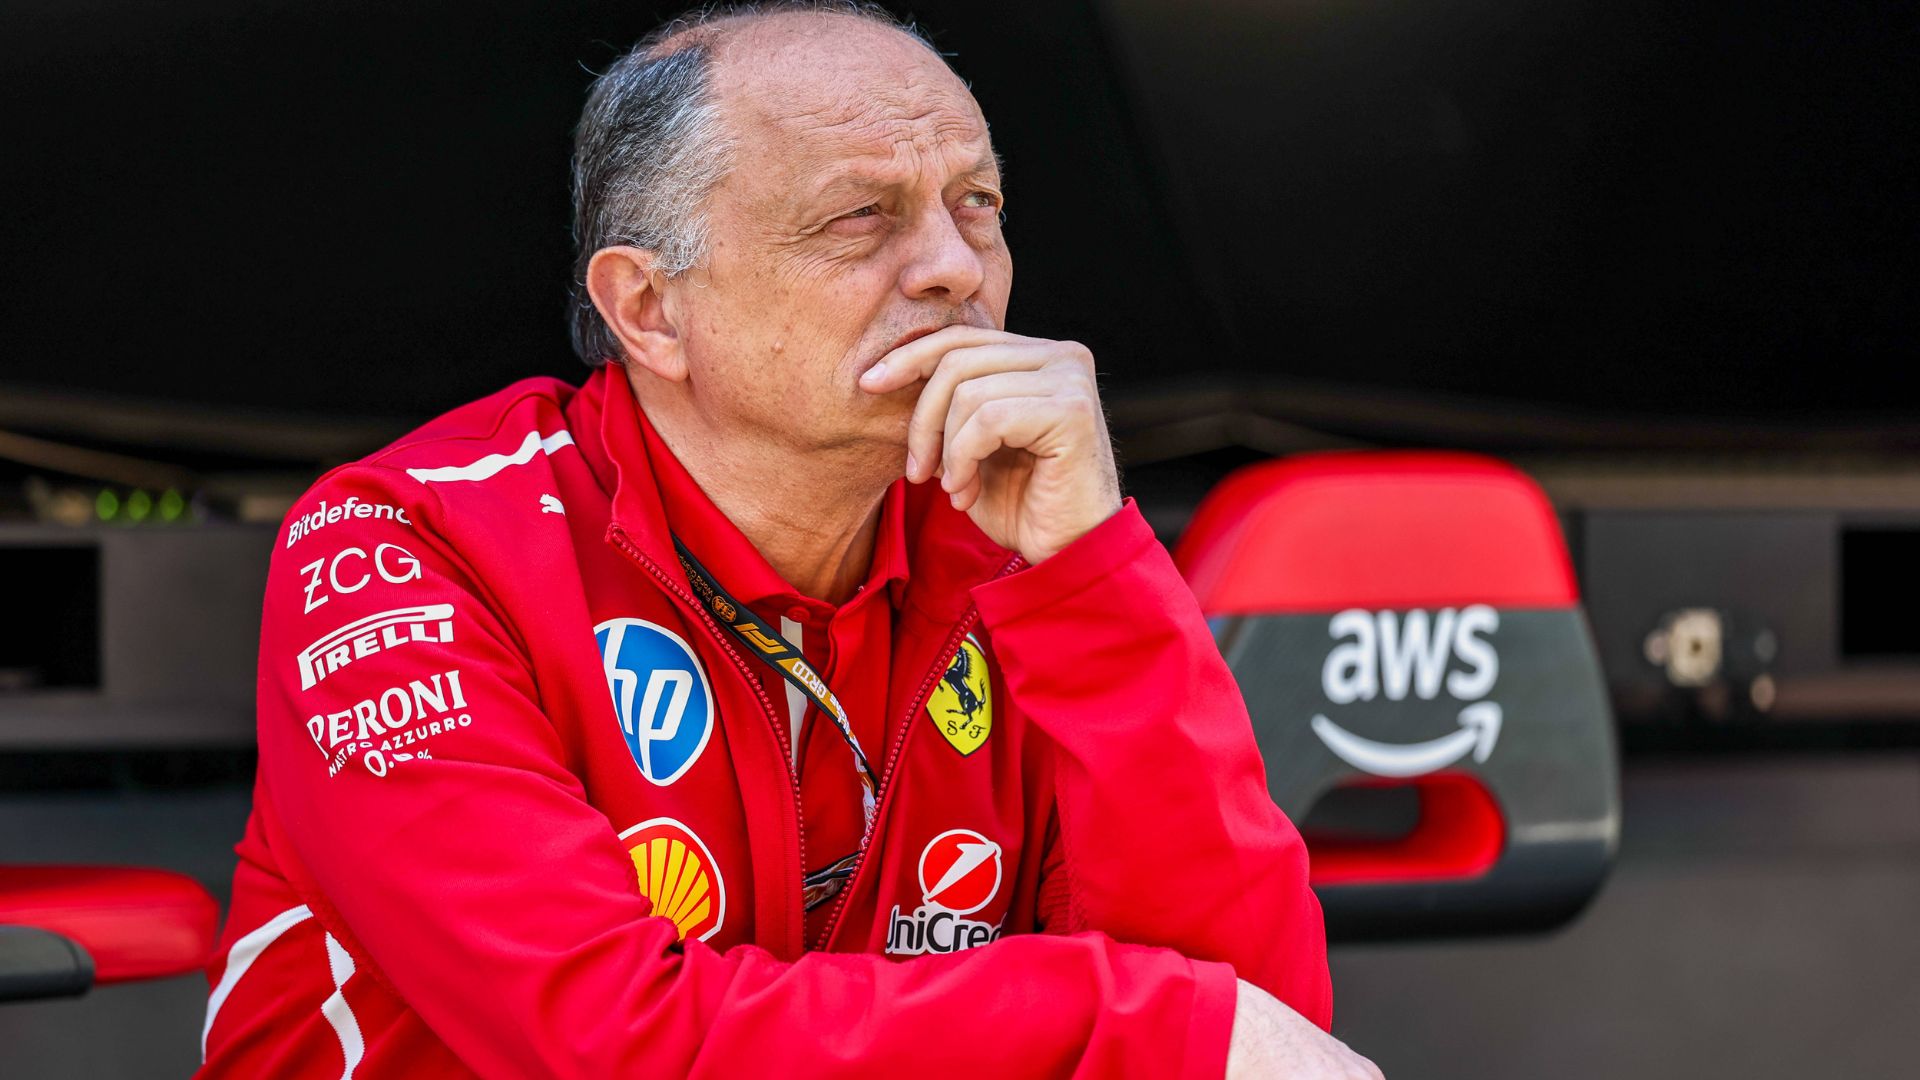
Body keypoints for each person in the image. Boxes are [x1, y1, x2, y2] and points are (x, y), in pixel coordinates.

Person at [199, 3, 1379, 1077]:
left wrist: (1092, 576)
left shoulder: (1013, 532)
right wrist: (1129, 1023)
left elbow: (1263, 1028)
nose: (958, 270)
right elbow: (617, 1044)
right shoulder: (403, 545)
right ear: (650, 310)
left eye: (979, 205)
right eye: (861, 217)